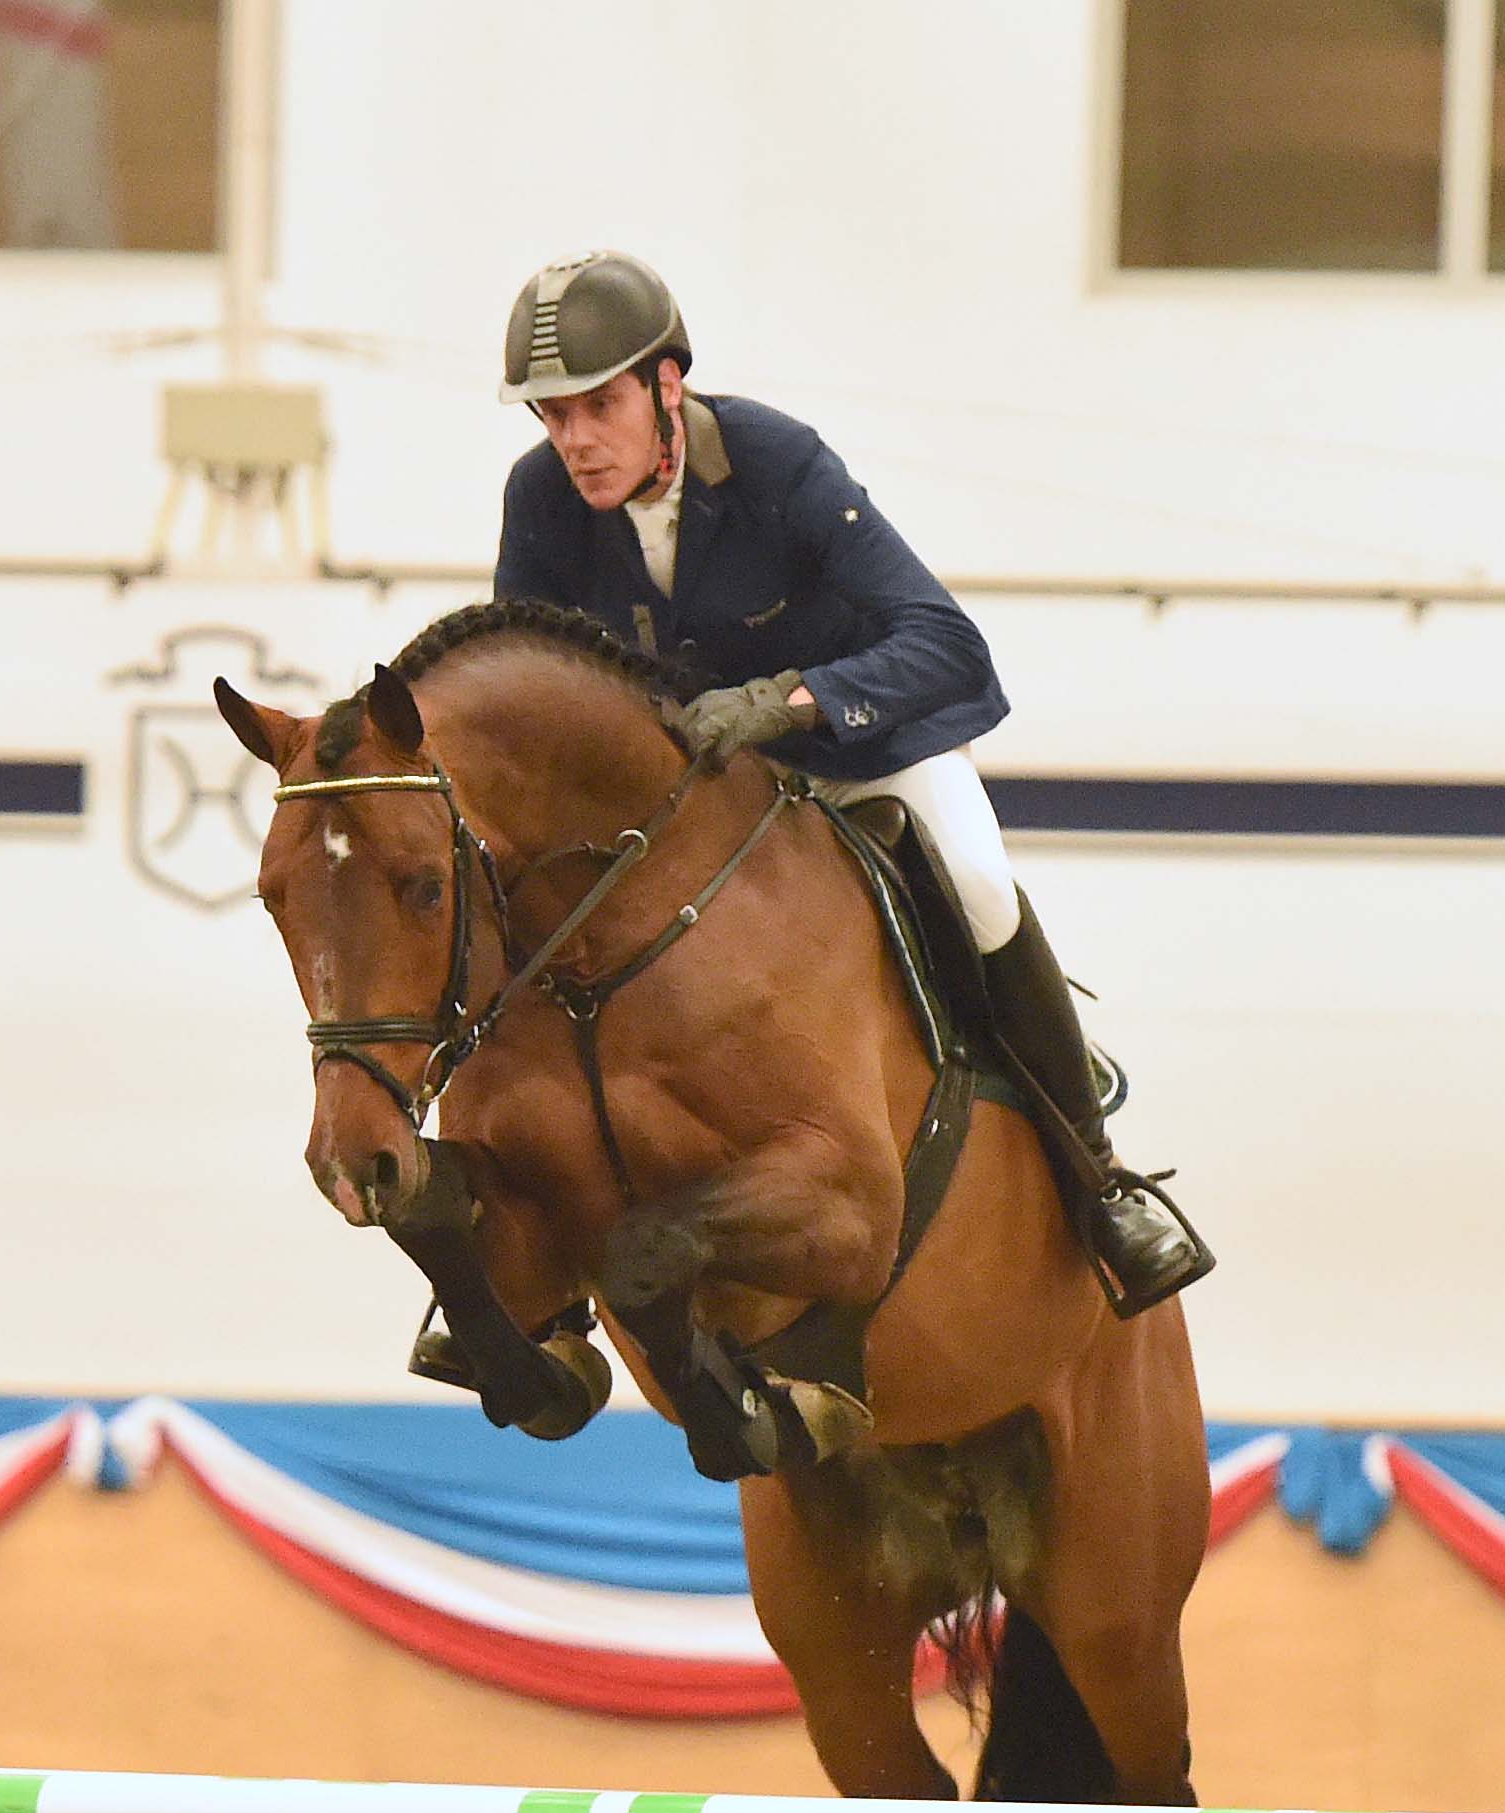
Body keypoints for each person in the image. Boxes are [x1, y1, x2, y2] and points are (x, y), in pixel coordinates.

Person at [486, 249, 1210, 1317]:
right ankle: (524, 1237)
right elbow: (527, 686)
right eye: (554, 415)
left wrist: (789, 704)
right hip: (701, 798)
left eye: (600, 406)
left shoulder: (773, 461)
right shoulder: (541, 499)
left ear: (666, 386)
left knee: (978, 884)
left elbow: (942, 640)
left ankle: (1098, 1180)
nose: (576, 440)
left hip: (862, 755)